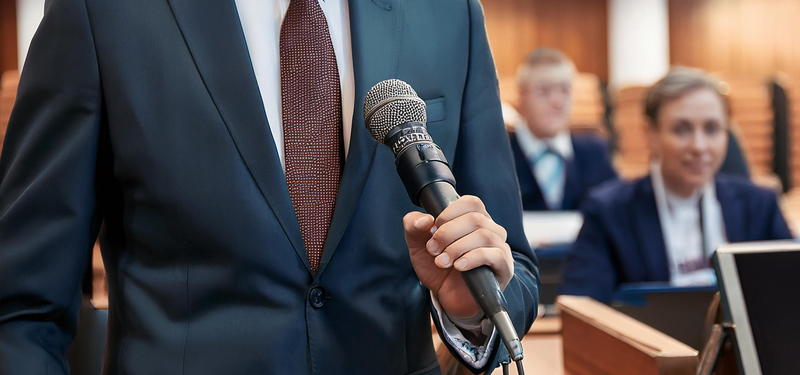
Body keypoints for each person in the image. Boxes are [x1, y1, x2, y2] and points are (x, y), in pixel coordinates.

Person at [0, 0, 539, 374]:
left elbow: (513, 266)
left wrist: (470, 312)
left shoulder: (451, 15)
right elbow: (22, 305)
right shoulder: (101, 13)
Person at [559, 67, 793, 303]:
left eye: (712, 129)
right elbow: (581, 310)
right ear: (650, 134)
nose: (699, 146)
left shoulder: (760, 205)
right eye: (681, 129)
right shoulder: (608, 212)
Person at [508, 48, 617, 211]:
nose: (557, 101)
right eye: (543, 91)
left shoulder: (596, 152)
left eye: (565, 90)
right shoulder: (500, 155)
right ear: (521, 96)